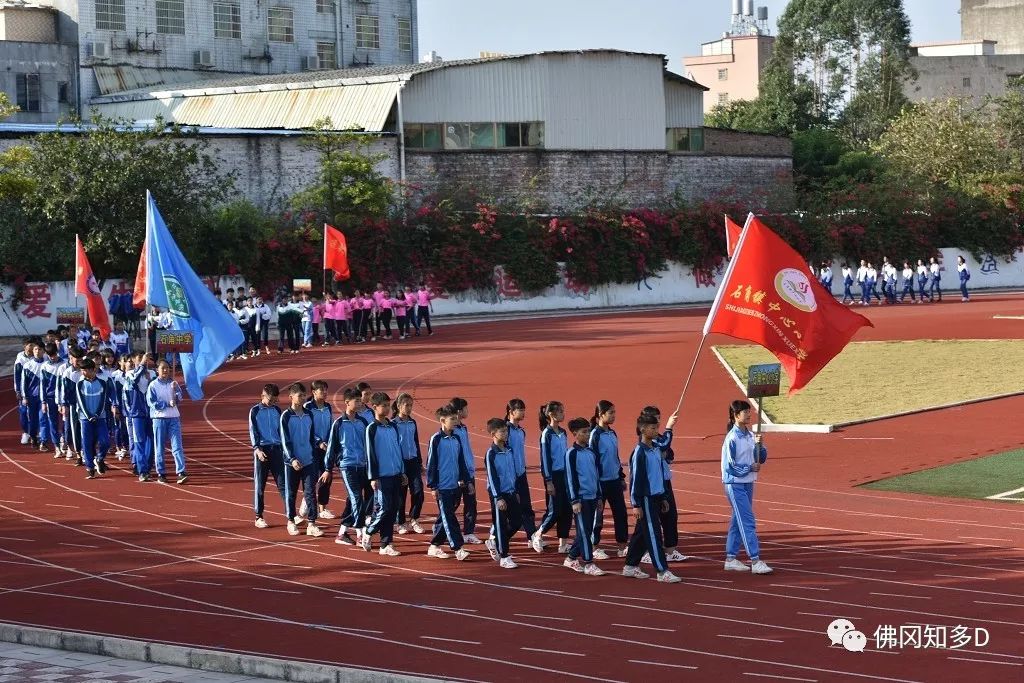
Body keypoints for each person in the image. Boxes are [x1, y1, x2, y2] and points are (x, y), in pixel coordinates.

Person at [622, 411, 681, 583]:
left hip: (656, 497)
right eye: (653, 428)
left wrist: (663, 497)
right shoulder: (639, 453)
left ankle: (630, 566)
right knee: (654, 534)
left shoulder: (655, 449)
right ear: (643, 429)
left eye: (657, 427)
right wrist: (635, 504)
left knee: (641, 533)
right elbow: (636, 480)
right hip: (645, 499)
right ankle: (662, 571)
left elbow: (658, 475)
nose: (656, 431)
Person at [722, 399, 772, 574]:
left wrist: (760, 445)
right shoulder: (732, 438)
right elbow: (729, 466)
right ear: (736, 416)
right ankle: (755, 560)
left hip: (748, 483)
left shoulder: (751, 435)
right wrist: (748, 468)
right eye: (745, 412)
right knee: (747, 521)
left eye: (749, 411)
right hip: (734, 484)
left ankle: (730, 557)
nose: (749, 415)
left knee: (738, 519)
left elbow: (761, 458)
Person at [324, 388, 372, 546]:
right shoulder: (338, 424)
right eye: (356, 401)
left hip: (363, 466)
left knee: (358, 500)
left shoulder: (363, 422)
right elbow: (331, 448)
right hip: (347, 466)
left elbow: (368, 445)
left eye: (360, 401)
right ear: (346, 403)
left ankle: (342, 533)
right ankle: (360, 533)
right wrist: (328, 469)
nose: (359, 403)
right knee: (356, 498)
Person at [362, 392, 406, 556]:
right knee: (384, 508)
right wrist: (373, 477)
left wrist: (402, 470)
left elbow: (397, 449)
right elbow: (370, 453)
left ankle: (386, 544)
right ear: (374, 407)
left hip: (395, 473)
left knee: (394, 508)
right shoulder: (371, 428)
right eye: (384, 406)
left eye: (388, 405)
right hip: (382, 476)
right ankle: (369, 531)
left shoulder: (393, 426)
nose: (387, 408)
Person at [425, 404, 471, 560]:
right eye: (452, 419)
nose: (456, 421)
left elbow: (461, 461)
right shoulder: (436, 440)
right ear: (443, 421)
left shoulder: (456, 438)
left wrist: (465, 479)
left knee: (445, 516)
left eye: (456, 418)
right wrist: (433, 485)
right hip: (442, 486)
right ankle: (458, 548)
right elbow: (431, 463)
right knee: (449, 517)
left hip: (455, 485)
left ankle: (434, 545)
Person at [564, 417, 606, 576]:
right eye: (584, 432)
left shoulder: (591, 452)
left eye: (588, 431)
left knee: (586, 531)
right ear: (575, 434)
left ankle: (571, 557)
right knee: (583, 531)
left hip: (593, 496)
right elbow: (570, 478)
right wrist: (574, 500)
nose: (587, 434)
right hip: (580, 499)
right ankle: (589, 563)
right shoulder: (571, 454)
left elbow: (596, 475)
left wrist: (599, 496)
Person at [279, 382, 322, 537]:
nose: (303, 398)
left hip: (309, 460)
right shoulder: (286, 416)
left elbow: (311, 436)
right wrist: (291, 459)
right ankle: (291, 520)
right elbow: (284, 440)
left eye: (304, 395)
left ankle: (312, 523)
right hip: (292, 463)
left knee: (310, 492)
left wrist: (313, 455)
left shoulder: (309, 414)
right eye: (300, 395)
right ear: (291, 397)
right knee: (291, 492)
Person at [590, 400, 628, 559]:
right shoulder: (595, 435)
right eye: (611, 413)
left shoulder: (612, 434)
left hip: (614, 481)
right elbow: (593, 460)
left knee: (621, 514)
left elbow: (615, 457)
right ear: (601, 415)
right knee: (597, 517)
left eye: (614, 412)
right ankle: (594, 547)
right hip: (600, 483)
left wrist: (620, 476)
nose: (614, 416)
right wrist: (596, 485)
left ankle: (622, 546)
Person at [532, 400, 571, 554]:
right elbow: (545, 459)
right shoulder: (546, 435)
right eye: (560, 412)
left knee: (567, 509)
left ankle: (563, 543)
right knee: (554, 510)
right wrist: (548, 481)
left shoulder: (563, 432)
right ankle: (538, 534)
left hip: (565, 474)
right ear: (551, 414)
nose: (563, 414)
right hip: (553, 475)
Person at [484, 417, 521, 569]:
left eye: (506, 431)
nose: (506, 434)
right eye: (502, 431)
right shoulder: (491, 454)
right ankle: (504, 556)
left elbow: (512, 472)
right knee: (500, 524)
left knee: (517, 522)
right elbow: (492, 478)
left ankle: (496, 542)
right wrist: (497, 497)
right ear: (493, 433)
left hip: (511, 491)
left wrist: (516, 490)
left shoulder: (509, 450)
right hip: (498, 494)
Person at [250, 383, 286, 529]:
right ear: (262, 396)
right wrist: (257, 449)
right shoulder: (255, 411)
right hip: (262, 451)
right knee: (260, 484)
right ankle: (259, 516)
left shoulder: (277, 410)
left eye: (275, 400)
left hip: (277, 450)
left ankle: (291, 514)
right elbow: (253, 431)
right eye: (270, 400)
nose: (272, 403)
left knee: (283, 484)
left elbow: (282, 431)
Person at [147, 360, 187, 485]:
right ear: (157, 370)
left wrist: (176, 392)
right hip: (159, 419)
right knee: (159, 447)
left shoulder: (173, 383)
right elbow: (151, 403)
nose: (165, 370)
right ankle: (161, 473)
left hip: (174, 417)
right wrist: (165, 404)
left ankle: (181, 472)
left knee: (177, 446)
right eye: (162, 368)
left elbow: (180, 398)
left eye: (167, 368)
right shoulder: (153, 385)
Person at [504, 399, 537, 546]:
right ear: (511, 412)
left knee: (526, 507)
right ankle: (497, 537)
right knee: (510, 510)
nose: (523, 413)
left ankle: (532, 537)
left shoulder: (521, 431)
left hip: (521, 473)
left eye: (524, 410)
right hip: (509, 476)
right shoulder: (505, 431)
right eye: (520, 410)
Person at [449, 397, 481, 544]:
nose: (468, 411)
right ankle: (441, 532)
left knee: (471, 503)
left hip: (469, 471)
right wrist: (460, 475)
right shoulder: (451, 431)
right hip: (457, 474)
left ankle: (468, 532)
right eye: (466, 409)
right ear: (458, 411)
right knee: (452, 504)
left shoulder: (463, 428)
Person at [302, 380, 335, 521]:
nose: (325, 392)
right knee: (313, 477)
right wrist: (318, 441)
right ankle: (306, 502)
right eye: (322, 390)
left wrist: (330, 442)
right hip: (312, 448)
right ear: (314, 392)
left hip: (326, 448)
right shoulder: (307, 407)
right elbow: (306, 427)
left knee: (326, 477)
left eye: (326, 389)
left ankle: (322, 508)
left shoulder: (328, 407)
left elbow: (331, 426)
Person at [393, 393, 425, 535]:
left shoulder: (413, 423)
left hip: (413, 462)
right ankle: (400, 522)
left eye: (411, 405)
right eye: (407, 405)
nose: (409, 408)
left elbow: (415, 442)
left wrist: (419, 462)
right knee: (401, 494)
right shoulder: (393, 424)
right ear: (399, 406)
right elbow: (393, 445)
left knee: (418, 491)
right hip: (400, 463)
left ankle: (414, 519)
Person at [76, 358, 111, 479]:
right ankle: (90, 467)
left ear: (92, 370)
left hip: (100, 418)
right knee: (87, 443)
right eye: (81, 370)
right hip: (85, 419)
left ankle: (100, 458)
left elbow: (103, 401)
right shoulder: (80, 384)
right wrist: (89, 416)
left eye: (85, 370)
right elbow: (81, 403)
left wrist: (96, 415)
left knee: (105, 442)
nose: (83, 372)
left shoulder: (102, 383)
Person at [124, 351, 155, 481]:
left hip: (151, 412)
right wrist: (141, 366)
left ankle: (148, 467)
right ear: (134, 361)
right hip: (137, 413)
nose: (144, 360)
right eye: (141, 359)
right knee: (139, 441)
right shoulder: (130, 373)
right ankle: (142, 470)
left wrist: (150, 379)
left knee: (151, 441)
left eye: (146, 358)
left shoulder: (152, 373)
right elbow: (133, 382)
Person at [38, 342, 64, 456]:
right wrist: (43, 402)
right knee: (52, 422)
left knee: (65, 421)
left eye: (53, 354)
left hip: (63, 399)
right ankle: (57, 446)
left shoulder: (64, 364)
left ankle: (64, 441)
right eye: (49, 355)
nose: (52, 357)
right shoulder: (44, 366)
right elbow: (42, 385)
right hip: (50, 398)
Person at [19, 341, 45, 449]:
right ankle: (33, 437)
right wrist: (24, 397)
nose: (37, 352)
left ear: (44, 351)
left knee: (43, 418)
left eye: (39, 349)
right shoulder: (27, 365)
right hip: (32, 397)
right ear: (32, 351)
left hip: (43, 398)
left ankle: (43, 440)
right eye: (35, 349)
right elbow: (23, 383)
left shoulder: (47, 364)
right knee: (33, 419)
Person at [13, 338, 34, 445]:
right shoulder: (20, 359)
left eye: (33, 345)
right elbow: (17, 376)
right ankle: (26, 433)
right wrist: (17, 391)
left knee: (35, 413)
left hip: (35, 390)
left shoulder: (39, 356)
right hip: (23, 390)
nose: (32, 347)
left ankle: (35, 432)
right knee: (24, 412)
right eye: (30, 345)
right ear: (25, 346)